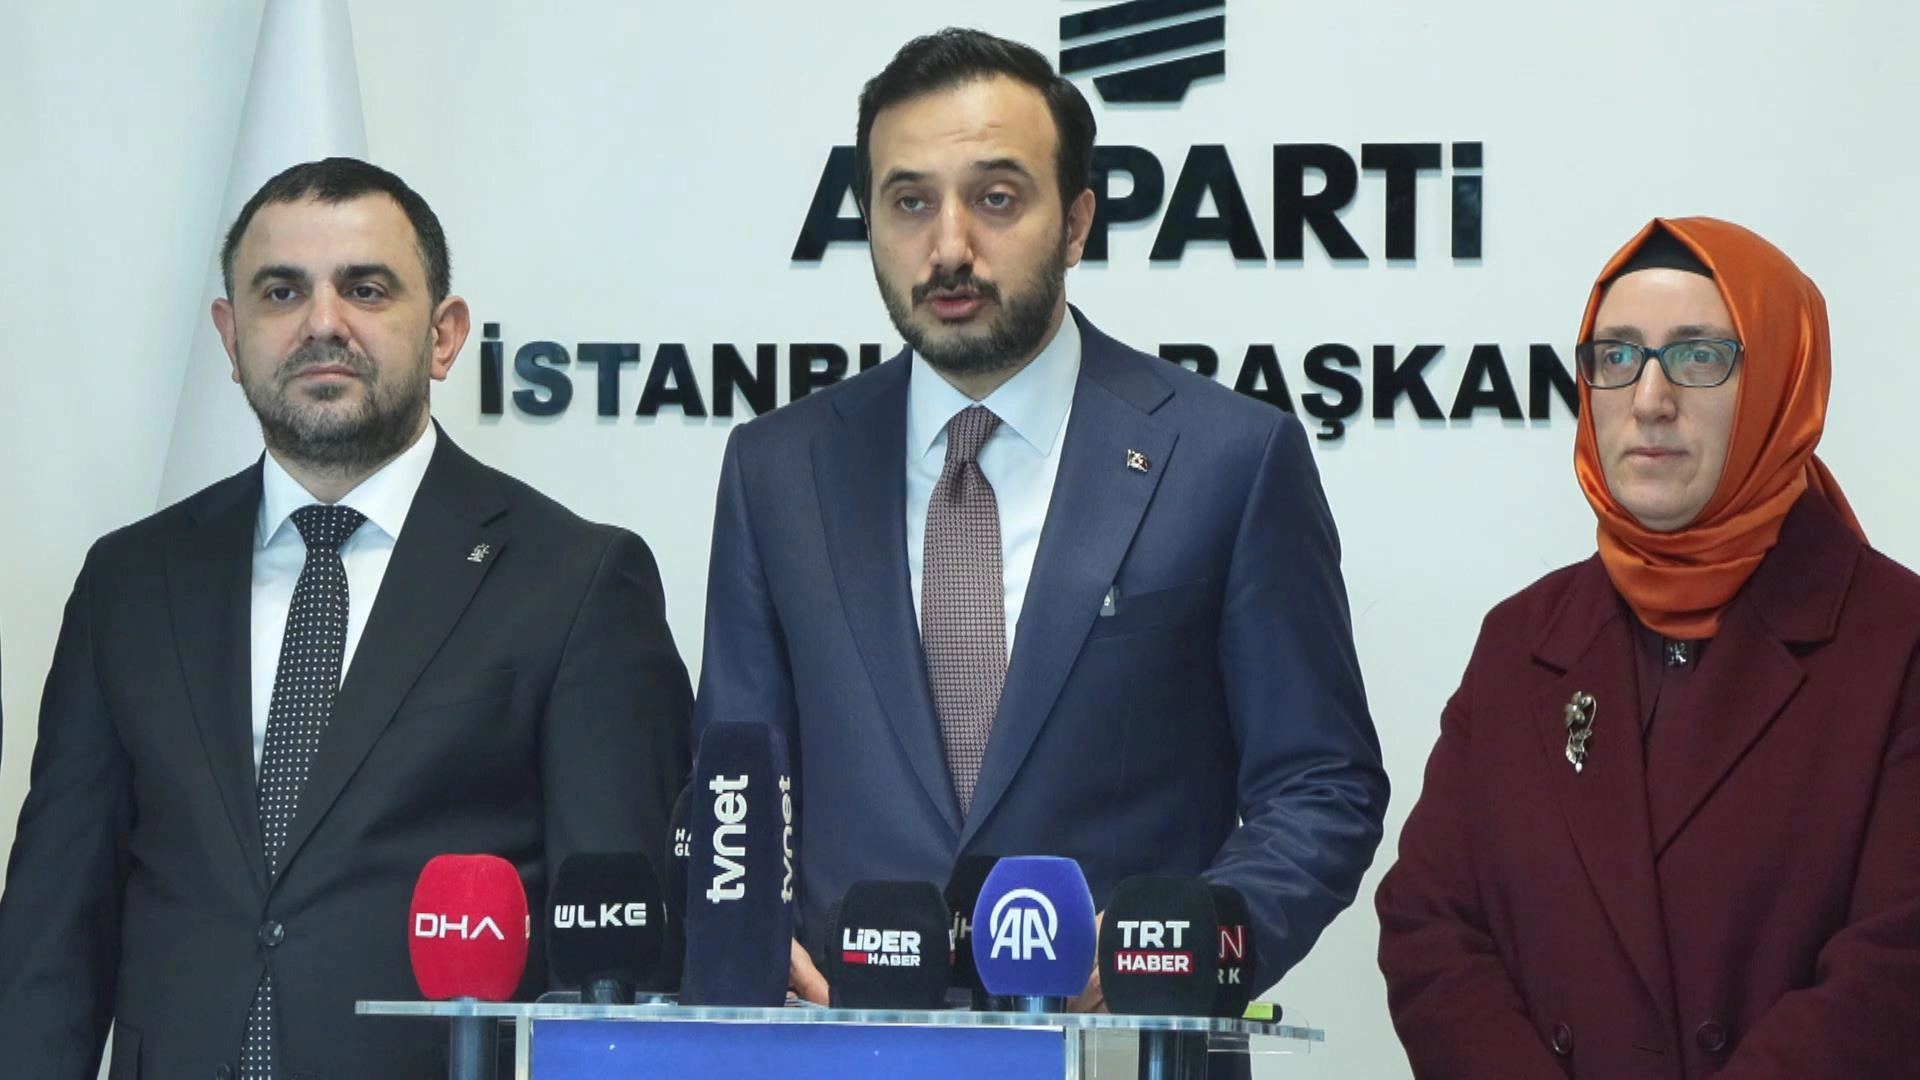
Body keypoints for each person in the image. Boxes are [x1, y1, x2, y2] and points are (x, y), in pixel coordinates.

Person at [695, 28, 1387, 1008]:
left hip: (1122, 1053)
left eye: (996, 198)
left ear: (1075, 222)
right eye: (909, 203)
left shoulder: (1231, 458)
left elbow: (1320, 786)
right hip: (844, 1045)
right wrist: (748, 944)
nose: (949, 249)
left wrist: (1173, 948)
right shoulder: (776, 470)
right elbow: (731, 788)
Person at [0, 158, 693, 1079]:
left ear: (444, 335)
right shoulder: (128, 583)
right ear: (231, 338)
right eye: (281, 291)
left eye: (365, 289)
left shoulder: (577, 583)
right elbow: (51, 939)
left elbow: (616, 970)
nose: (322, 322)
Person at [1376, 217, 1920, 1077]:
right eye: (1617, 355)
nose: (1650, 398)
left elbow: (1895, 966)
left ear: (1782, 381)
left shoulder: (1896, 641)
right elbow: (1431, 926)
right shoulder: (1521, 640)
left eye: (1699, 355)